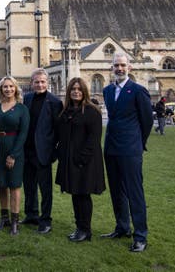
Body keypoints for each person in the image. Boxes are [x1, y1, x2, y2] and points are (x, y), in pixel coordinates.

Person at [101, 52, 153, 252]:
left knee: (134, 193)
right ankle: (122, 227)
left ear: (129, 67)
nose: (119, 68)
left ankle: (140, 235)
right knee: (116, 191)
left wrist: (139, 143)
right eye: (116, 65)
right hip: (111, 147)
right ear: (112, 68)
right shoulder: (107, 91)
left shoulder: (138, 91)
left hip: (130, 149)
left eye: (123, 65)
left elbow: (147, 121)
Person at [55, 78, 105, 242]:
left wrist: (81, 159)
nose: (76, 91)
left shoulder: (92, 111)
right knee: (75, 195)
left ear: (84, 91)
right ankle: (79, 227)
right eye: (73, 89)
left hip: (85, 162)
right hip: (70, 160)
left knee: (83, 195)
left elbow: (93, 139)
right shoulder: (66, 111)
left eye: (79, 89)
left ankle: (86, 230)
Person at [22, 68, 63, 234]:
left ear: (47, 83)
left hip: (43, 152)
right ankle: (31, 214)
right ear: (32, 83)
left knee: (45, 189)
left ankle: (45, 220)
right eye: (36, 82)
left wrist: (53, 153)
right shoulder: (27, 99)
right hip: (27, 151)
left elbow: (59, 131)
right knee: (29, 186)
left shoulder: (54, 102)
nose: (40, 85)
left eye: (42, 82)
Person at [0, 76, 29, 236]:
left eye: (11, 87)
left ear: (16, 89)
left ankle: (15, 221)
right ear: (1, 89)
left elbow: (23, 133)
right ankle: (4, 218)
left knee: (14, 186)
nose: (8, 89)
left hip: (15, 149)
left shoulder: (21, 109)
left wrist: (13, 154)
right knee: (1, 185)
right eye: (5, 87)